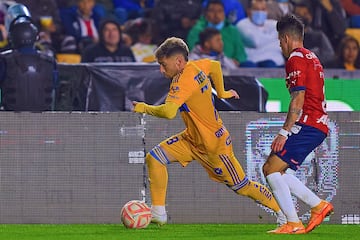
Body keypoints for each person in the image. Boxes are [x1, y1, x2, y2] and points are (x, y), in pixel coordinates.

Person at [132, 37, 286, 226]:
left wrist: (144, 107)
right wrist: (221, 93)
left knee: (242, 186)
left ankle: (283, 212)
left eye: (163, 65)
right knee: (154, 158)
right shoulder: (197, 66)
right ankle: (158, 212)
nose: (161, 70)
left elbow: (169, 112)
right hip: (192, 140)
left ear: (179, 62)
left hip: (214, 147)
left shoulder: (182, 81)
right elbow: (214, 66)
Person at [262, 14, 334, 234]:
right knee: (277, 171)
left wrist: (284, 132)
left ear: (285, 38)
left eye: (279, 40)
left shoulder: (295, 58)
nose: (279, 45)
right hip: (317, 124)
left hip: (308, 123)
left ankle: (294, 222)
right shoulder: (311, 56)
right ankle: (317, 206)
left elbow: (298, 97)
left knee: (270, 169)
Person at [0, 4, 57, 111]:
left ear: (12, 37)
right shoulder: (50, 61)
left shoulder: (4, 60)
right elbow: (53, 86)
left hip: (10, 120)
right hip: (44, 121)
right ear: (35, 37)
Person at [187, 0, 246, 66]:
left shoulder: (232, 30)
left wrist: (236, 61)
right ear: (206, 13)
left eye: (219, 11)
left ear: (224, 14)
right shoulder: (197, 30)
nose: (216, 14)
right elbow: (192, 49)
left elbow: (240, 54)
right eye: (212, 11)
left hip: (229, 66)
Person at [236, 0, 284, 68]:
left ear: (267, 11)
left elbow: (285, 42)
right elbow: (255, 42)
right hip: (254, 64)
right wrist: (274, 39)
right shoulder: (242, 25)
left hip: (278, 64)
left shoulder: (274, 24)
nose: (260, 12)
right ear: (249, 11)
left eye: (263, 9)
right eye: (256, 9)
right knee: (269, 64)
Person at [293, 0, 335, 65]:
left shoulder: (319, 36)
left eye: (304, 14)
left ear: (310, 17)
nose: (301, 17)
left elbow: (329, 56)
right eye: (298, 14)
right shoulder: (289, 37)